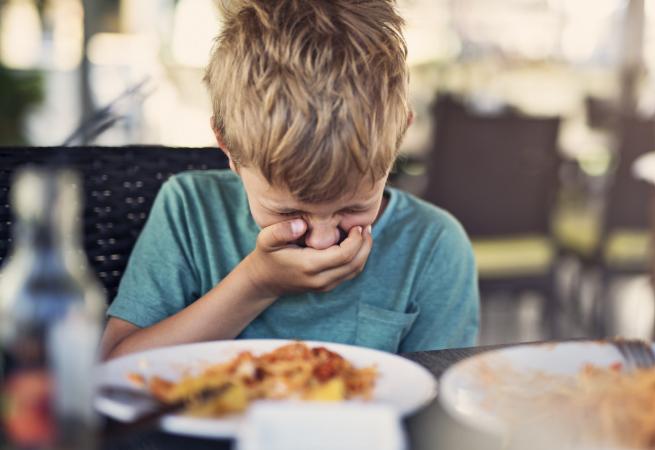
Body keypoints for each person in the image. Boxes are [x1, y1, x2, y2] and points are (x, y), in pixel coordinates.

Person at [100, 0, 479, 359]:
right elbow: (117, 365)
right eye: (288, 211)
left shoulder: (433, 248)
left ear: (398, 140)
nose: (322, 240)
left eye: (353, 207)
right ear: (227, 146)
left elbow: (436, 416)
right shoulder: (189, 211)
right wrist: (257, 283)